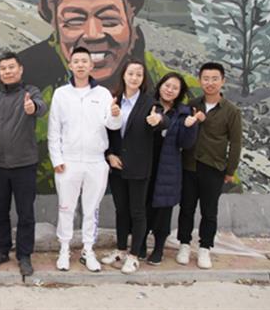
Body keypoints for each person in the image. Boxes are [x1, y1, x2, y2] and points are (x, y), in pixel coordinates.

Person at [0, 0, 200, 191]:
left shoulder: (171, 86)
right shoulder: (22, 82)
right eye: (74, 20)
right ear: (54, 23)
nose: (93, 34)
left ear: (131, 16)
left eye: (109, 19)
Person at [47, 47, 121, 273]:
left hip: (95, 161)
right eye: (76, 61)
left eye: (84, 61)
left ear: (91, 65)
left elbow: (112, 125)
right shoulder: (61, 94)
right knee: (66, 207)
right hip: (68, 162)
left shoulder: (103, 94)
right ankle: (64, 249)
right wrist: (56, 159)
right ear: (70, 65)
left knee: (91, 209)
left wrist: (116, 115)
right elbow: (54, 130)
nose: (80, 65)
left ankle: (88, 250)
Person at [0, 52, 47, 277]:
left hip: (24, 164)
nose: (7, 72)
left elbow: (41, 107)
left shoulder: (31, 92)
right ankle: (1, 250)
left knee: (25, 213)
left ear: (20, 70)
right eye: (3, 68)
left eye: (11, 67)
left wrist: (33, 108)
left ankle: (24, 255)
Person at [102, 59, 167, 274]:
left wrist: (158, 120)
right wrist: (109, 154)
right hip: (117, 165)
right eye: (131, 73)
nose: (134, 78)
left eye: (139, 74)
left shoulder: (150, 103)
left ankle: (134, 255)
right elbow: (105, 131)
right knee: (121, 210)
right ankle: (121, 249)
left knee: (137, 211)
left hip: (139, 166)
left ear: (143, 78)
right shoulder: (113, 100)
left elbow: (162, 120)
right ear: (123, 75)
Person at [176, 62, 242, 269]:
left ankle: (205, 248)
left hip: (214, 167)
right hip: (189, 165)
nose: (210, 83)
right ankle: (184, 245)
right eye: (206, 78)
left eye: (215, 79)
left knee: (209, 211)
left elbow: (236, 143)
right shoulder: (192, 104)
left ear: (222, 81)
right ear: (199, 81)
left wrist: (230, 170)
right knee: (186, 208)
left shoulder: (231, 111)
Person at [141, 72, 199, 266]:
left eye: (175, 88)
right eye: (167, 85)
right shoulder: (148, 105)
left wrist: (190, 127)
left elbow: (186, 144)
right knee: (144, 206)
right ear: (160, 86)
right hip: (146, 164)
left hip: (168, 167)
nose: (170, 90)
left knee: (163, 210)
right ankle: (141, 243)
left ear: (179, 92)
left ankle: (158, 248)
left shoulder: (183, 112)